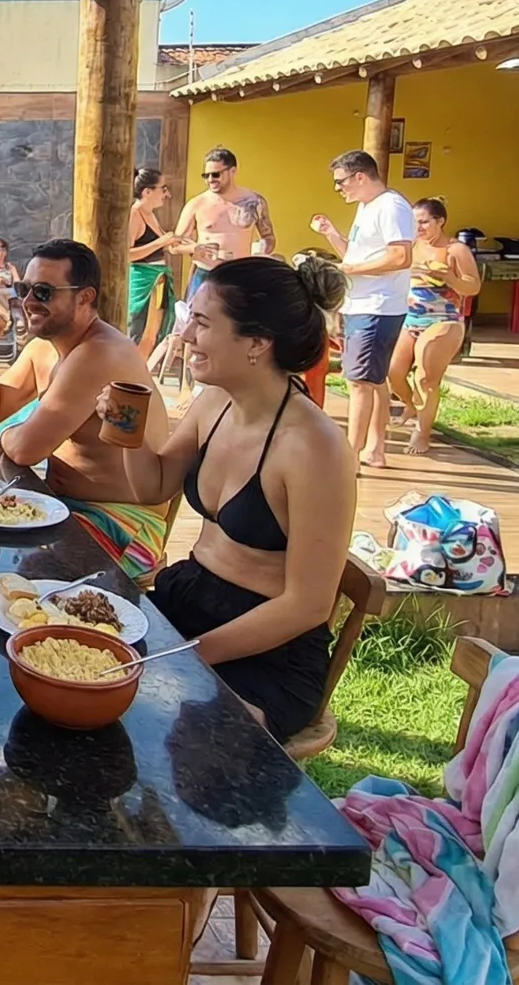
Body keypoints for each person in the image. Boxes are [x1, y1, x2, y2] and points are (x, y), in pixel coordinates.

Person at [104, 255, 355, 741]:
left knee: (192, 735)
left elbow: (307, 605)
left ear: (257, 343)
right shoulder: (215, 402)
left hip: (265, 648)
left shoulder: (314, 447)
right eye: (188, 319)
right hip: (188, 596)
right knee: (65, 658)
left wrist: (187, 655)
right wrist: (125, 430)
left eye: (201, 322)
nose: (186, 336)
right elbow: (154, 487)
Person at [0, 239, 173, 582]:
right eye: (24, 288)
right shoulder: (44, 349)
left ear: (85, 297)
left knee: (2, 573)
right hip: (63, 506)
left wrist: (14, 434)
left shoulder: (100, 353)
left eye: (43, 292)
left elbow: (25, 449)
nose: (28, 302)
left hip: (122, 523)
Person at [310, 150, 416, 469]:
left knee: (357, 382)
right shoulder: (365, 207)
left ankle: (349, 457)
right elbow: (356, 256)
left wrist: (349, 271)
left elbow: (401, 257)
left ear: (360, 177)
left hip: (378, 306)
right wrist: (331, 235)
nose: (338, 188)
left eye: (341, 182)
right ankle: (374, 449)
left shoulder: (391, 206)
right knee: (373, 380)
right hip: (363, 304)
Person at [390, 197, 483, 456]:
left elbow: (473, 287)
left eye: (423, 222)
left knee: (425, 376)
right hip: (411, 318)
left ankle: (422, 432)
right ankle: (412, 405)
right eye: (414, 222)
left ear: (440, 221)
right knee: (393, 372)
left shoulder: (456, 251)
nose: (418, 227)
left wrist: (448, 277)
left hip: (444, 319)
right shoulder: (411, 246)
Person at [175, 147, 275, 295]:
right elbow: (174, 244)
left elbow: (268, 237)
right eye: (206, 175)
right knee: (198, 317)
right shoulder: (197, 204)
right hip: (206, 273)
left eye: (215, 174)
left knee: (242, 317)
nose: (210, 180)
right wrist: (195, 248)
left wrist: (261, 253)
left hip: (241, 273)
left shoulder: (254, 201)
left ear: (232, 171)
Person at [128, 167, 189, 353]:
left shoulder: (150, 214)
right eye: (163, 188)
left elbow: (167, 245)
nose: (167, 194)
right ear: (148, 191)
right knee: (139, 332)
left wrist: (194, 248)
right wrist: (160, 242)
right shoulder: (135, 214)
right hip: (142, 280)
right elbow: (127, 254)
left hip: (158, 279)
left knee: (153, 334)